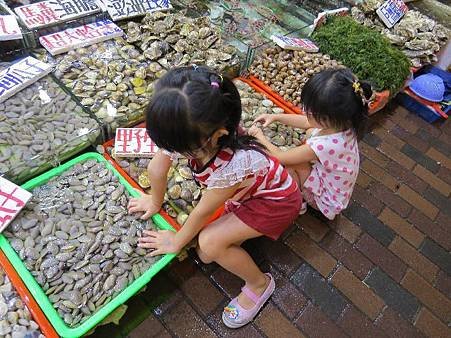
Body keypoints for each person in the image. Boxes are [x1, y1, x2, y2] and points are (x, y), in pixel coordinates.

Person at [128, 65, 301, 328]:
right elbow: (158, 167)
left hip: (274, 203)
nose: (168, 151)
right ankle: (235, 237)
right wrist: (154, 201)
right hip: (249, 192)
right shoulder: (190, 126)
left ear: (217, 136)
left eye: (177, 149)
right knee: (207, 252)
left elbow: (203, 211)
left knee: (208, 245)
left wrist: (175, 242)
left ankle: (260, 284)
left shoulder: (232, 164)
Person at [249, 68, 371, 220]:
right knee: (310, 132)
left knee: (292, 165)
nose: (305, 111)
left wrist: (258, 136)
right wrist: (275, 117)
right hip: (335, 189)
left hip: (326, 202)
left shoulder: (325, 146)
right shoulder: (345, 124)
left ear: (328, 118)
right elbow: (307, 123)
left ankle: (296, 203)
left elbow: (280, 157)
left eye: (310, 111)